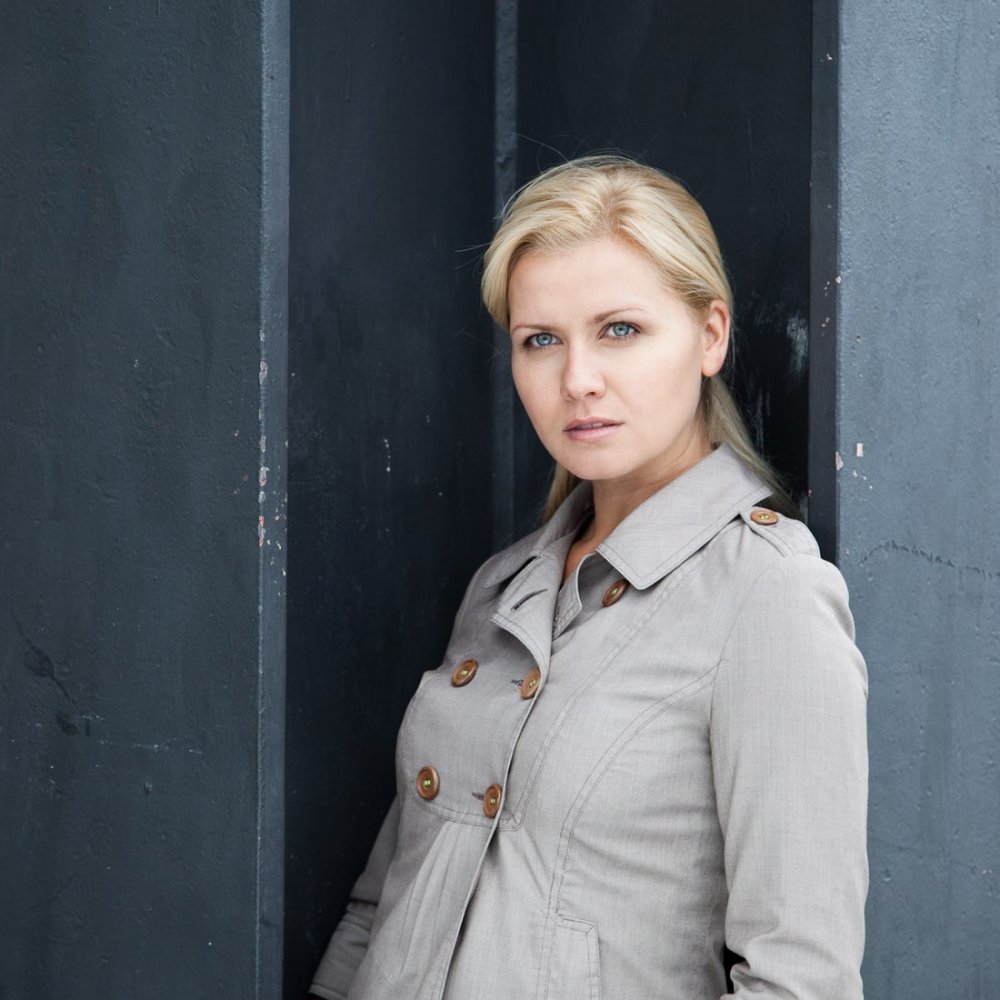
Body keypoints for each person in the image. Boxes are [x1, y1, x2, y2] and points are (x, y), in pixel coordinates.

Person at [309, 155, 868, 1000]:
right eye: (541, 340)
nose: (577, 381)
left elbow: (802, 982)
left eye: (620, 330)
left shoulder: (768, 596)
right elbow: (386, 901)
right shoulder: (502, 589)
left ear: (710, 336)